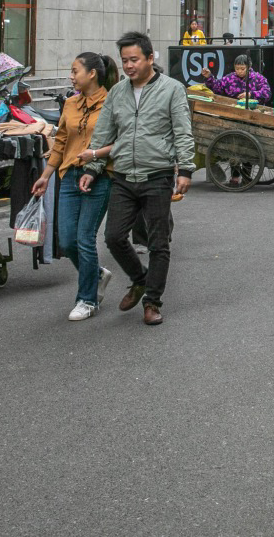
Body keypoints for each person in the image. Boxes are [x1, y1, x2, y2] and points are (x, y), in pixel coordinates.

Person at [75, 31, 194, 326]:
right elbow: (104, 133)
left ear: (150, 58)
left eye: (134, 59)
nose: (128, 65)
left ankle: (152, 302)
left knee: (158, 243)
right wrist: (92, 169)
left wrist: (185, 169)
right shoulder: (117, 92)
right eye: (124, 60)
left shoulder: (172, 89)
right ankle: (140, 279)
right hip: (124, 175)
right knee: (113, 237)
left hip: (158, 175)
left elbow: (182, 131)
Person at [31, 52, 120, 321]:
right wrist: (46, 176)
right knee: (67, 240)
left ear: (92, 74)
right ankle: (96, 274)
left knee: (84, 238)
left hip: (100, 176)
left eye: (75, 71)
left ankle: (87, 300)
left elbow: (120, 142)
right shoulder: (70, 104)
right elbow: (60, 142)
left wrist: (94, 158)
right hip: (69, 175)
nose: (71, 76)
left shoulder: (113, 103)